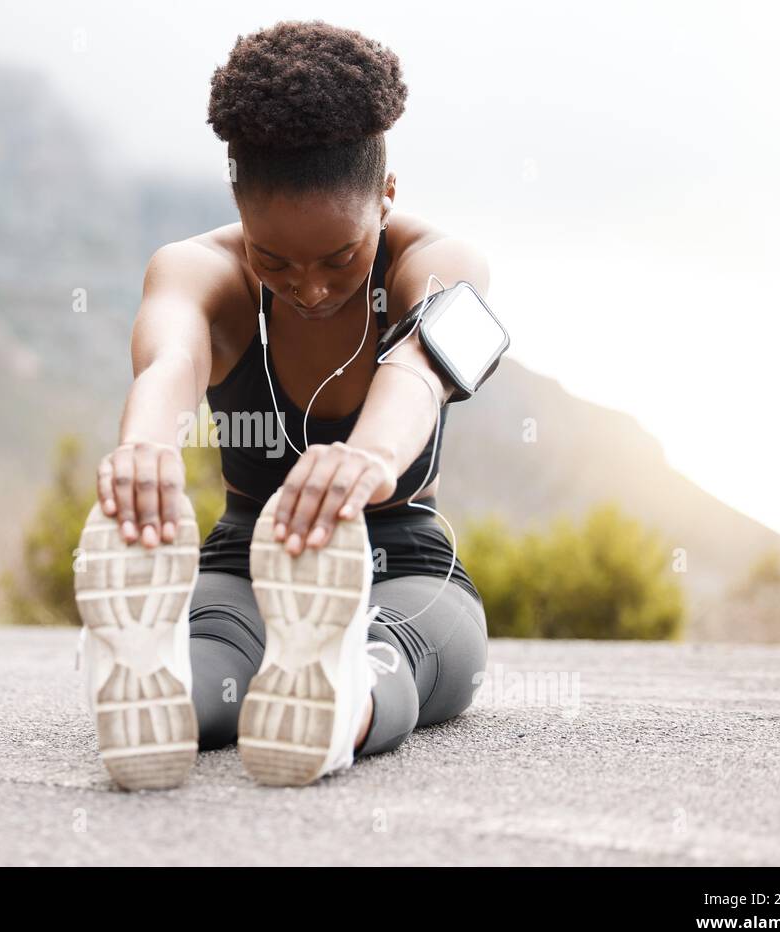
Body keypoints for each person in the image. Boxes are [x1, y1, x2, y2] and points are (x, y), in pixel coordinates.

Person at [74, 19, 494, 791]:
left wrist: (366, 459)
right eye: (275, 259)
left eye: (340, 257)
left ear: (388, 197)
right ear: (237, 205)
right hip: (243, 556)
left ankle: (333, 703)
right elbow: (172, 356)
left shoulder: (443, 261)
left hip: (399, 557)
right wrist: (146, 446)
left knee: (409, 644)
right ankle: (157, 700)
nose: (310, 287)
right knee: (222, 646)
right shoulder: (197, 268)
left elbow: (424, 363)